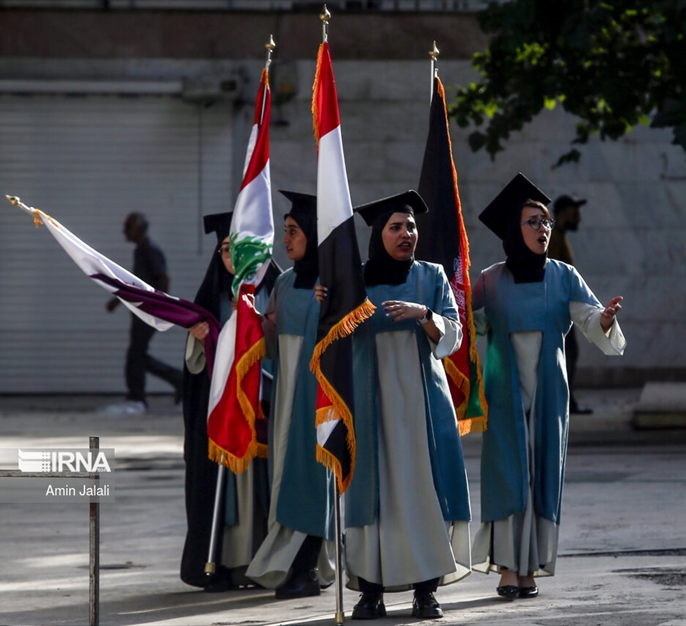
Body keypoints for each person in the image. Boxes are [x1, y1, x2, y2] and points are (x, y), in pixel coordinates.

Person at [319, 190, 471, 620]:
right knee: (373, 496)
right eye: (396, 227)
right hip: (370, 406)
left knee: (421, 493)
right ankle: (371, 591)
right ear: (378, 234)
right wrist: (326, 307)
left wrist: (425, 314)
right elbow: (333, 337)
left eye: (411, 227)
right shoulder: (356, 278)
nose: (407, 234)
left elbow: (454, 335)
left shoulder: (432, 276)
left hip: (422, 406)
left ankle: (426, 591)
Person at [471, 174, 626, 600]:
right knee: (506, 476)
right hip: (503, 394)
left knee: (542, 476)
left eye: (545, 222)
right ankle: (507, 567)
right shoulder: (489, 279)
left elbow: (590, 319)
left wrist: (606, 320)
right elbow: (468, 326)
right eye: (532, 221)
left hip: (549, 396)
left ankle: (531, 568)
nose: (542, 229)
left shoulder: (563, 276)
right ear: (511, 231)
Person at [245, 191, 337, 599]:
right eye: (285, 232)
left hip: (318, 395)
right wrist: (248, 322)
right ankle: (294, 567)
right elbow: (271, 338)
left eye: (294, 232)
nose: (286, 240)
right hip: (285, 393)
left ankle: (306, 569)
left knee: (312, 479)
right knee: (286, 475)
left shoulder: (334, 281)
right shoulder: (283, 281)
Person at [179, 212, 277, 591]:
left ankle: (265, 561)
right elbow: (194, 365)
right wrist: (198, 336)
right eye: (224, 250)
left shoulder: (275, 289)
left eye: (238, 250)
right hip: (224, 412)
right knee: (230, 491)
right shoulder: (212, 297)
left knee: (263, 488)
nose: (231, 259)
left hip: (266, 403)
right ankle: (226, 562)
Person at [105, 212, 183, 414]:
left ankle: (136, 398)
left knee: (135, 355)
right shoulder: (141, 251)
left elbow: (163, 278)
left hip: (149, 312)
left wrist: (159, 306)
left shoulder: (149, 251)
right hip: (141, 311)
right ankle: (179, 379)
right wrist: (117, 301)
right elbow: (136, 284)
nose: (124, 230)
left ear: (139, 229)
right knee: (138, 355)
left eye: (128, 226)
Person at [546, 193, 593, 415]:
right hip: (559, 310)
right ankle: (563, 401)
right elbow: (553, 276)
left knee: (569, 354)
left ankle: (566, 400)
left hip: (563, 309)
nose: (579, 219)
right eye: (575, 214)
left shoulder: (559, 237)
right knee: (568, 354)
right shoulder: (554, 238)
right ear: (564, 214)